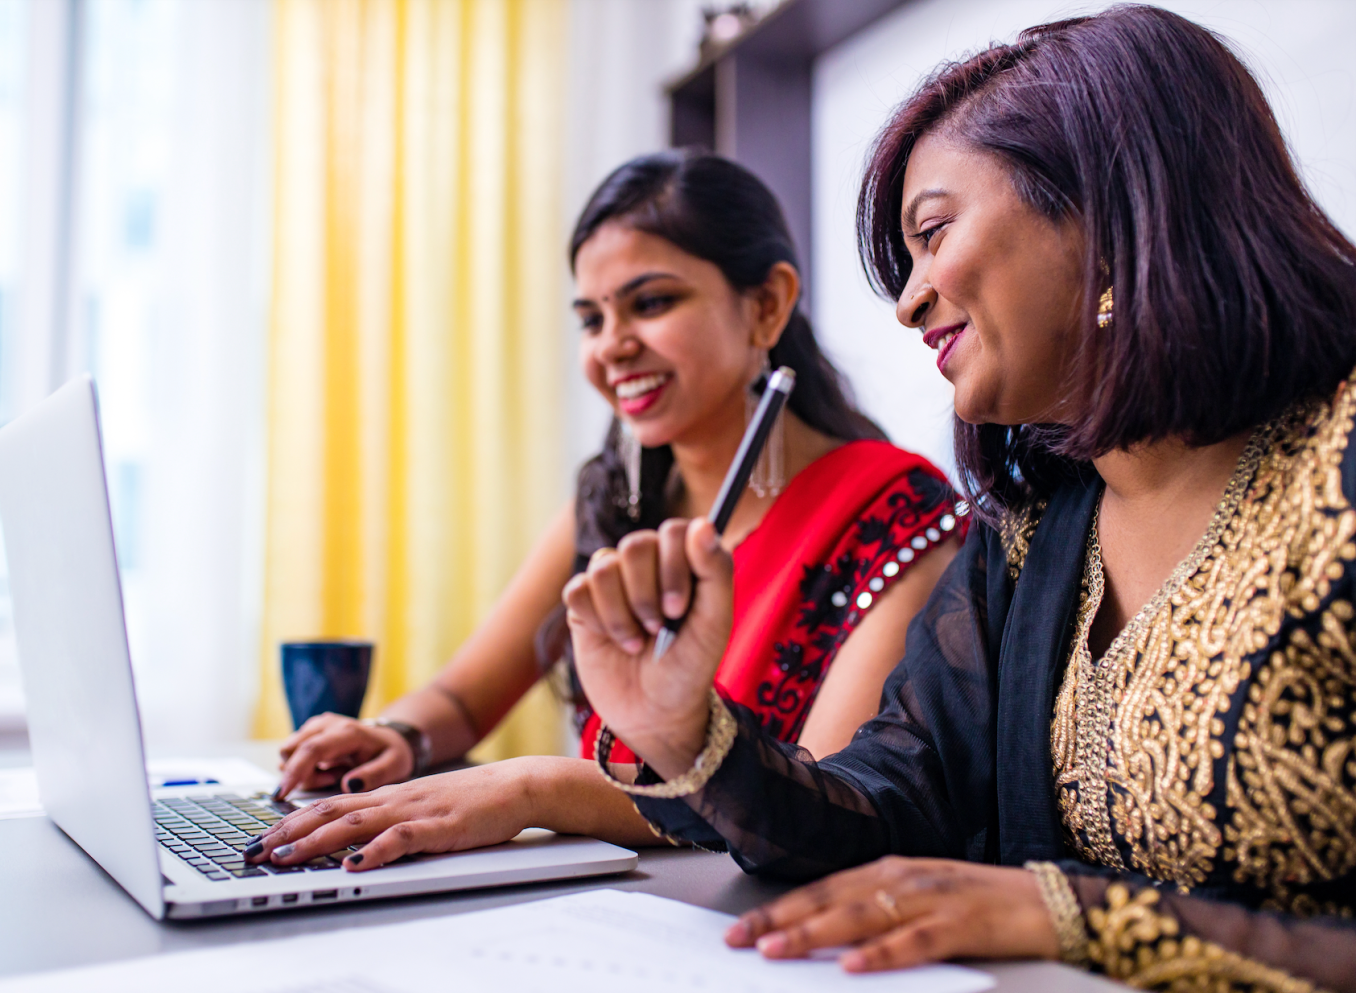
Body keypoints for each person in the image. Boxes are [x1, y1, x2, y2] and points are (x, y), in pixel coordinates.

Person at [562, 8, 1356, 991]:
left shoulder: (1338, 465)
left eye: (933, 234)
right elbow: (889, 810)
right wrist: (688, 735)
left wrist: (1082, 918)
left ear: (1108, 211)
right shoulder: (1029, 536)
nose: (907, 300)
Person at [245, 151, 963, 870]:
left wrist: (534, 786)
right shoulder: (614, 500)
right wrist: (401, 735)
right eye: (592, 317)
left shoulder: (897, 513)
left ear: (768, 304)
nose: (613, 346)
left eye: (650, 303)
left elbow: (833, 802)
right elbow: (464, 701)